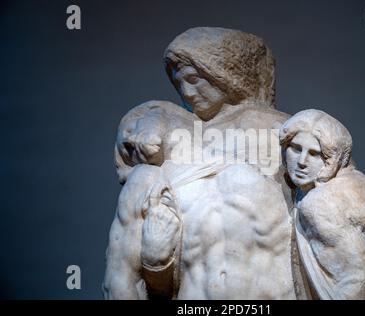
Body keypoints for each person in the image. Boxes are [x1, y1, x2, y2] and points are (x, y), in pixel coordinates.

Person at [103, 27, 310, 299]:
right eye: (179, 84)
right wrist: (156, 263)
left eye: (194, 79)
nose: (187, 92)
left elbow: (333, 219)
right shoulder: (164, 161)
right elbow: (136, 275)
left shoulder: (287, 134)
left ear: (226, 76)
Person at [280, 109, 365, 299]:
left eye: (314, 153)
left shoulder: (320, 203)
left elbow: (360, 284)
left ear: (332, 159)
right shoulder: (357, 180)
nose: (301, 161)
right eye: (295, 148)